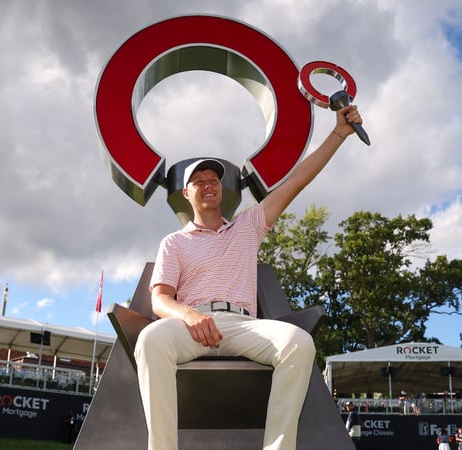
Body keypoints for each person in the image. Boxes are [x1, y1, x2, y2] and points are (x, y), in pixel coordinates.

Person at [134, 102, 363, 450]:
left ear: (222, 190)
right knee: (150, 340)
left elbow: (296, 183)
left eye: (214, 180)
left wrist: (338, 135)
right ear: (186, 193)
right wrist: (190, 315)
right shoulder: (174, 242)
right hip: (192, 325)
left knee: (299, 344)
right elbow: (160, 299)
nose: (208, 185)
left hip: (243, 325)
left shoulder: (247, 227)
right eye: (199, 181)